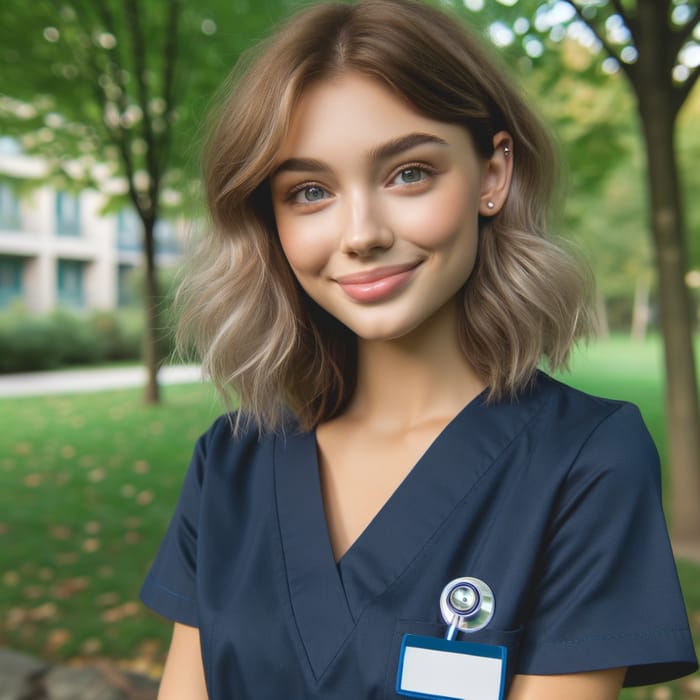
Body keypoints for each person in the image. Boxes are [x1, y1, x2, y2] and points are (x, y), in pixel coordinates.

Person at [140, 1, 698, 698]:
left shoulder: (586, 462)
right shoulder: (229, 462)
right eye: (310, 191)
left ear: (492, 176)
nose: (361, 232)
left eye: (407, 173)